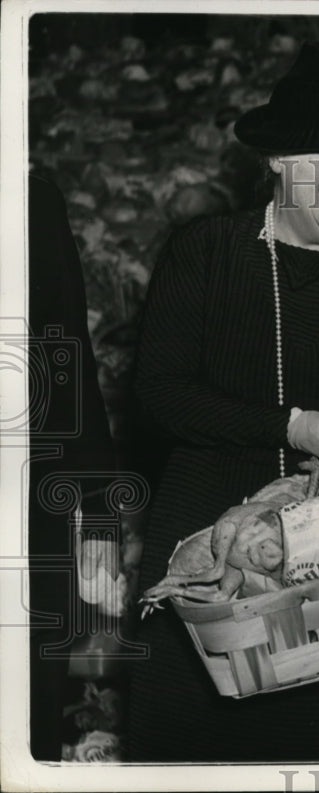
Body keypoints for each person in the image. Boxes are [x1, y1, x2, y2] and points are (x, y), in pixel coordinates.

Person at [127, 43, 319, 762]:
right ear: (281, 162)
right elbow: (159, 394)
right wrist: (290, 427)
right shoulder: (207, 253)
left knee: (317, 758)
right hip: (206, 568)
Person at [27, 170, 119, 761]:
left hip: (25, 480)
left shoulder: (29, 198)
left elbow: (65, 350)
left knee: (29, 678)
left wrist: (99, 508)